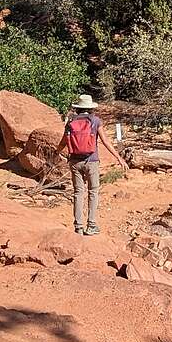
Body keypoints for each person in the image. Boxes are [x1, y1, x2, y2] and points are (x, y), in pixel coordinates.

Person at [63, 94, 102, 236]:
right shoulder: (95, 121)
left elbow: (64, 141)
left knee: (78, 193)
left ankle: (78, 227)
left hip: (74, 162)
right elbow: (105, 141)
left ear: (78, 108)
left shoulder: (70, 122)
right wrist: (118, 157)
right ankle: (91, 225)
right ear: (91, 108)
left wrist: (55, 152)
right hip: (92, 161)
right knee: (93, 192)